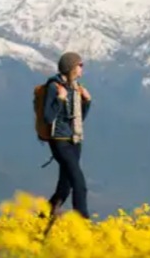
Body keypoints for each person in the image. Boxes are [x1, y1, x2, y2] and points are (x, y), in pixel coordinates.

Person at [42, 51, 92, 219]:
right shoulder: (54, 87)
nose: (82, 68)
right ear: (71, 67)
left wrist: (87, 102)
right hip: (60, 141)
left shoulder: (76, 87)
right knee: (79, 183)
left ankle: (42, 218)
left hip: (75, 140)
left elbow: (79, 119)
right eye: (80, 65)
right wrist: (60, 99)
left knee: (65, 187)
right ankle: (82, 224)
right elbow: (48, 116)